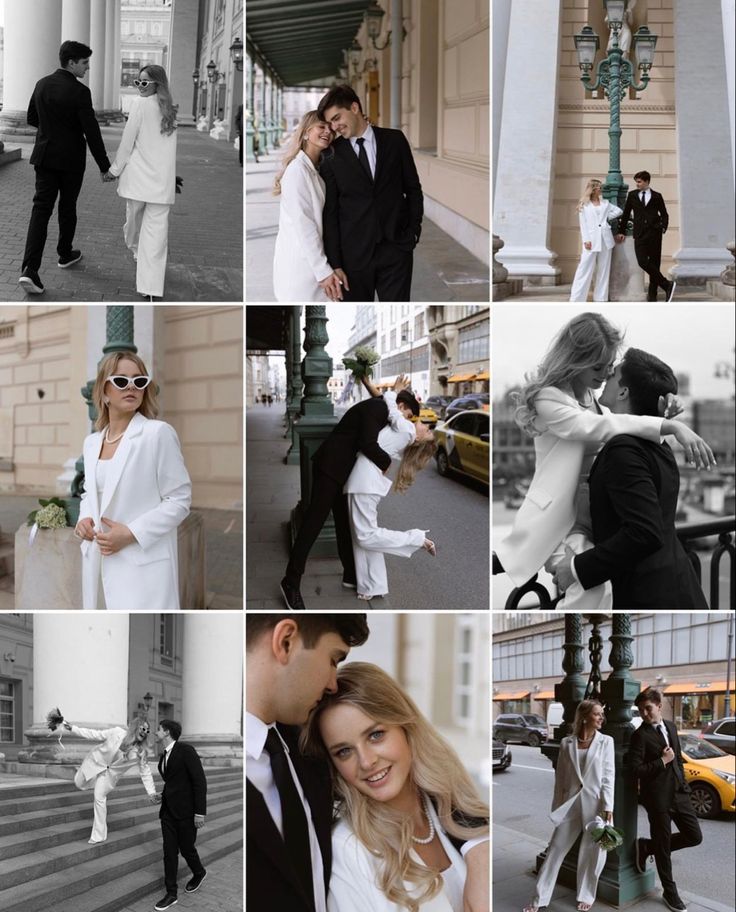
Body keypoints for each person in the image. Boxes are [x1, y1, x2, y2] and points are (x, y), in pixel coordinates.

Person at [493, 312, 715, 609]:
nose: (605, 373)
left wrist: (662, 410)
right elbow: (599, 427)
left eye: (609, 366)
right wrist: (670, 426)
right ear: (576, 359)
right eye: (598, 366)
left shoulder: (592, 399)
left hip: (591, 517)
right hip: (561, 520)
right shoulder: (550, 398)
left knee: (597, 584)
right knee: (591, 587)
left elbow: (622, 423)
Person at [301, 661, 490, 912]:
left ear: (405, 727)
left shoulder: (450, 807)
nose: (367, 762)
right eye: (344, 751)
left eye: (375, 735)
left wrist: (481, 851)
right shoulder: (348, 850)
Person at [552, 349, 710, 608]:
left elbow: (644, 532)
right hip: (677, 585)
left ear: (624, 392)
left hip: (648, 595)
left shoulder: (623, 449)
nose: (605, 376)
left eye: (613, 374)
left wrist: (577, 569)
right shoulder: (658, 444)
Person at [246, 614, 371, 912]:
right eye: (333, 659)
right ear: (286, 642)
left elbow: (407, 786)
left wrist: (474, 845)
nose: (333, 684)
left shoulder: (310, 745)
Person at [280, 375, 420, 611]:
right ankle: (290, 582)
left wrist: (393, 391)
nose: (403, 421)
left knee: (344, 524)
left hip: (341, 469)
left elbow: (384, 404)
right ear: (401, 407)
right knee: (313, 523)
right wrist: (385, 462)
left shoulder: (381, 407)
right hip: (331, 467)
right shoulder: (377, 409)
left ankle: (350, 575)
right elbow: (367, 443)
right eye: (406, 416)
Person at [74, 352, 191, 610]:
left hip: (143, 568)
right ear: (104, 392)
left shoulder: (157, 434)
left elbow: (179, 500)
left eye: (139, 381)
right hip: (96, 563)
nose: (131, 387)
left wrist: (130, 533)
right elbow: (89, 494)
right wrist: (84, 520)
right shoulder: (92, 442)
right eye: (121, 380)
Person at [19, 41, 112, 296]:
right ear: (72, 62)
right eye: (84, 62)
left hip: (44, 156)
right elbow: (91, 132)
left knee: (40, 210)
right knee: (67, 207)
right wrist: (105, 166)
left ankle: (29, 269)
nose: (88, 67)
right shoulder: (80, 92)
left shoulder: (42, 84)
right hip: (71, 161)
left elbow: (31, 118)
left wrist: (50, 130)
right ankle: (64, 254)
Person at [318, 85, 423, 302]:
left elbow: (413, 189)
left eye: (337, 118)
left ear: (354, 107)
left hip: (396, 249)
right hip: (352, 258)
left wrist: (413, 231)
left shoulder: (395, 141)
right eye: (331, 123)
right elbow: (331, 212)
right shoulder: (331, 155)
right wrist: (335, 263)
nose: (335, 127)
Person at [345, 374, 437, 601]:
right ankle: (370, 586)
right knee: (363, 538)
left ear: (419, 438)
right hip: (364, 483)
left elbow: (393, 406)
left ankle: (417, 539)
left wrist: (394, 390)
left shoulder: (406, 430)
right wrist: (371, 385)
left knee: (365, 537)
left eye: (426, 427)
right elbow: (388, 405)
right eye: (424, 423)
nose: (421, 423)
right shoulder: (402, 429)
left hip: (364, 483)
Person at [522, 700, 614, 912]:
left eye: (602, 714)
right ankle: (539, 899)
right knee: (555, 850)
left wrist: (608, 806)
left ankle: (586, 896)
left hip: (596, 806)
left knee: (592, 853)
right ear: (584, 717)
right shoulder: (567, 743)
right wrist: (557, 808)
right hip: (570, 805)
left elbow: (609, 776)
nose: (601, 718)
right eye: (597, 714)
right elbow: (561, 779)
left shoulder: (605, 742)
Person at [107, 65, 178, 301]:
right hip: (160, 182)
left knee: (137, 223)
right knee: (156, 236)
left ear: (157, 84)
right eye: (137, 82)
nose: (140, 87)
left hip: (139, 178)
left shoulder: (141, 105)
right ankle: (150, 288)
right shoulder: (170, 110)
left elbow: (128, 142)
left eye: (145, 83)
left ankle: (136, 250)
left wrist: (114, 170)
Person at [628, 688, 702, 912]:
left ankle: (647, 846)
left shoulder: (670, 726)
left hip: (680, 794)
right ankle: (670, 893)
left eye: (648, 708)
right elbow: (635, 770)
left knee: (694, 836)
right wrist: (662, 761)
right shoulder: (639, 735)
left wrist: (684, 784)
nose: (644, 713)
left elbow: (677, 758)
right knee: (663, 848)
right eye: (641, 710)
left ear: (659, 706)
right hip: (658, 800)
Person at [272, 111, 344, 302]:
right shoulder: (297, 171)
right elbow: (305, 225)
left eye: (330, 128)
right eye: (321, 127)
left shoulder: (313, 169)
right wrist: (323, 271)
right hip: (301, 267)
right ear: (305, 132)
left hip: (312, 262)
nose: (327, 132)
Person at [53, 714, 157, 844]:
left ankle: (99, 835)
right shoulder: (117, 732)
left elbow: (145, 772)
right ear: (136, 727)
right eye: (143, 728)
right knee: (78, 782)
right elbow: (94, 734)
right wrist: (73, 728)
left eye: (147, 731)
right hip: (95, 762)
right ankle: (85, 775)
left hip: (109, 776)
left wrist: (151, 792)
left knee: (99, 797)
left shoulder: (140, 753)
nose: (144, 733)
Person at [154, 719, 208, 912]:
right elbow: (174, 782)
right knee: (169, 852)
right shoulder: (164, 755)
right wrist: (161, 795)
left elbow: (199, 782)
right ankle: (171, 893)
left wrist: (199, 813)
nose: (155, 732)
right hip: (168, 812)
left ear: (167, 732)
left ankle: (199, 872)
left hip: (187, 813)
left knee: (187, 849)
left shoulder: (186, 751)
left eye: (158, 729)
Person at [616, 170, 675, 302]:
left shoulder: (657, 196)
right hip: (640, 234)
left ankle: (652, 296)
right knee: (642, 261)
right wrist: (621, 231)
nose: (637, 184)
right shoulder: (632, 195)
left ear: (647, 181)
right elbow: (626, 214)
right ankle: (666, 284)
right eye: (636, 181)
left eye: (639, 181)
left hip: (655, 233)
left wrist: (663, 227)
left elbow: (664, 214)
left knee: (655, 263)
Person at [569, 179, 623, 302]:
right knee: (584, 268)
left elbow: (619, 211)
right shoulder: (584, 204)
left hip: (605, 239)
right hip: (591, 240)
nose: (601, 189)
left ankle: (601, 299)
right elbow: (583, 224)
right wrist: (586, 240)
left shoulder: (605, 203)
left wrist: (604, 219)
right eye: (599, 187)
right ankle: (576, 298)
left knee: (603, 270)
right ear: (593, 189)